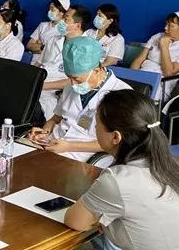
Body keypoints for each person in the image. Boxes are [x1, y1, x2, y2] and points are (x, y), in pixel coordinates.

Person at [42, 90, 179, 250]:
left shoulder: (118, 179)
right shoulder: (169, 168)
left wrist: (101, 218)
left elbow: (75, 221)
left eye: (97, 125)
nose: (95, 129)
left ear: (116, 137)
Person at [30, 36, 131, 164]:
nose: (72, 83)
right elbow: (55, 119)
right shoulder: (72, 85)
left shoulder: (122, 94)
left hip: (81, 155)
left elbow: (116, 143)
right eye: (70, 78)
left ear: (96, 70)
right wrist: (44, 132)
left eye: (77, 79)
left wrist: (68, 146)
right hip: (52, 143)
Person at [35, 4, 90, 120]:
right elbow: (39, 64)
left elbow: (77, 80)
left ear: (77, 25)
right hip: (38, 84)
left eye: (66, 19)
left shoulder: (87, 49)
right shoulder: (54, 39)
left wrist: (41, 86)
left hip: (55, 93)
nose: (62, 22)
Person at [131, 9, 179, 101]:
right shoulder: (157, 36)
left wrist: (164, 47)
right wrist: (131, 77)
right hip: (140, 75)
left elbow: (168, 73)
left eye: (170, 26)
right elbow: (139, 60)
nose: (165, 28)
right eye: (166, 24)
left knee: (140, 100)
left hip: (160, 83)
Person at [27, 0, 70, 65]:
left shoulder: (65, 30)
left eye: (52, 10)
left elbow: (57, 53)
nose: (49, 12)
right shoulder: (43, 25)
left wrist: (38, 46)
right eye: (49, 9)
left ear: (61, 12)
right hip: (34, 60)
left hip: (52, 64)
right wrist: (42, 47)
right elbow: (29, 45)